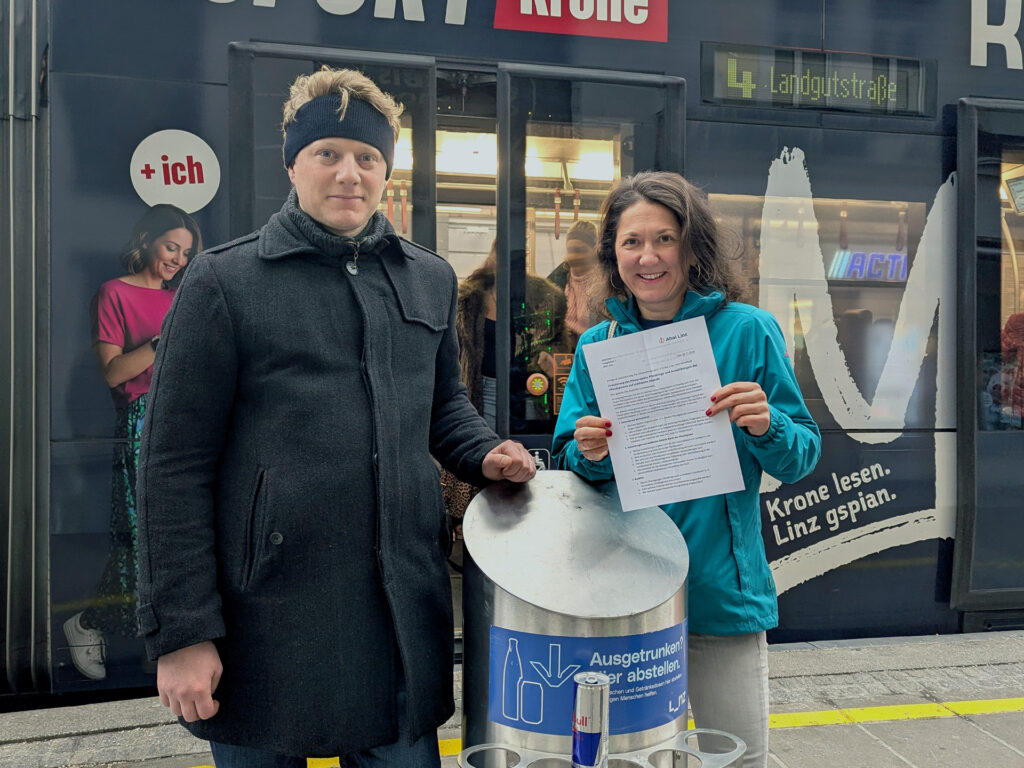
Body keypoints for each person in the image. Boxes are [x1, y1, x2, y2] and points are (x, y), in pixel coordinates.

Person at [134, 67, 536, 767]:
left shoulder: (429, 277)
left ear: (388, 170)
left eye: (368, 157)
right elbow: (172, 467)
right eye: (328, 154)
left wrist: (485, 453)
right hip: (264, 629)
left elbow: (444, 405)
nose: (349, 173)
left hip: (398, 624)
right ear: (292, 163)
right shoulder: (223, 283)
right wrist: (182, 632)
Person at [551, 171, 821, 768]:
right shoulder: (599, 344)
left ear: (693, 246)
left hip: (719, 596)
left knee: (740, 758)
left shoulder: (748, 330)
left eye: (664, 239)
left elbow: (801, 454)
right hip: (626, 600)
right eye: (630, 242)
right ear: (612, 254)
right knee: (630, 759)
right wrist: (588, 453)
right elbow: (572, 461)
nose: (647, 257)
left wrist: (765, 424)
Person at [63, 204, 200, 681]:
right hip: (141, 421)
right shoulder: (113, 294)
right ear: (147, 240)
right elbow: (113, 371)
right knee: (142, 539)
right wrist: (165, 341)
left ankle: (166, 640)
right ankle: (87, 622)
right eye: (171, 247)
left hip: (186, 420)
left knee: (182, 537)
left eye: (185, 253)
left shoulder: (183, 296)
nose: (177, 260)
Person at [546, 219, 600, 349]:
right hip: (561, 360)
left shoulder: (608, 285)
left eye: (581, 250)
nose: (575, 256)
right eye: (571, 250)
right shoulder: (554, 282)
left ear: (595, 250)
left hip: (595, 356)